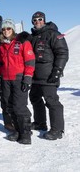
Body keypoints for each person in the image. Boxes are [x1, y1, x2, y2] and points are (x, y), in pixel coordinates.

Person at [28, 11, 69, 140]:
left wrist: (57, 71)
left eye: (40, 19)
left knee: (51, 101)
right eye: (35, 20)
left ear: (44, 20)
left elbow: (62, 53)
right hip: (34, 76)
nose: (37, 22)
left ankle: (57, 129)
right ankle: (40, 123)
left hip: (49, 75)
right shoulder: (32, 36)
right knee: (34, 98)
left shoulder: (53, 34)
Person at [0, 19, 35, 144]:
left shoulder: (22, 42)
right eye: (4, 29)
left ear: (13, 29)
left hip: (19, 79)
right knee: (9, 105)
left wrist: (27, 78)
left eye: (8, 28)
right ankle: (17, 130)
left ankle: (26, 134)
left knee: (20, 107)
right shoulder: (2, 45)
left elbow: (30, 61)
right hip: (5, 79)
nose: (6, 31)